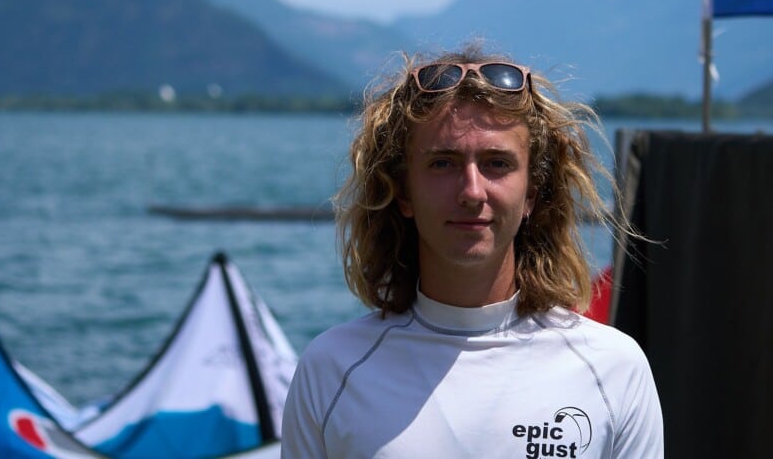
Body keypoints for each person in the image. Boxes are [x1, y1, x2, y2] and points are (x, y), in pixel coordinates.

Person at [281, 45, 663, 458]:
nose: (472, 191)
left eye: (497, 163)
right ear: (403, 192)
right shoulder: (332, 371)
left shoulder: (612, 369)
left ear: (532, 193)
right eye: (443, 163)